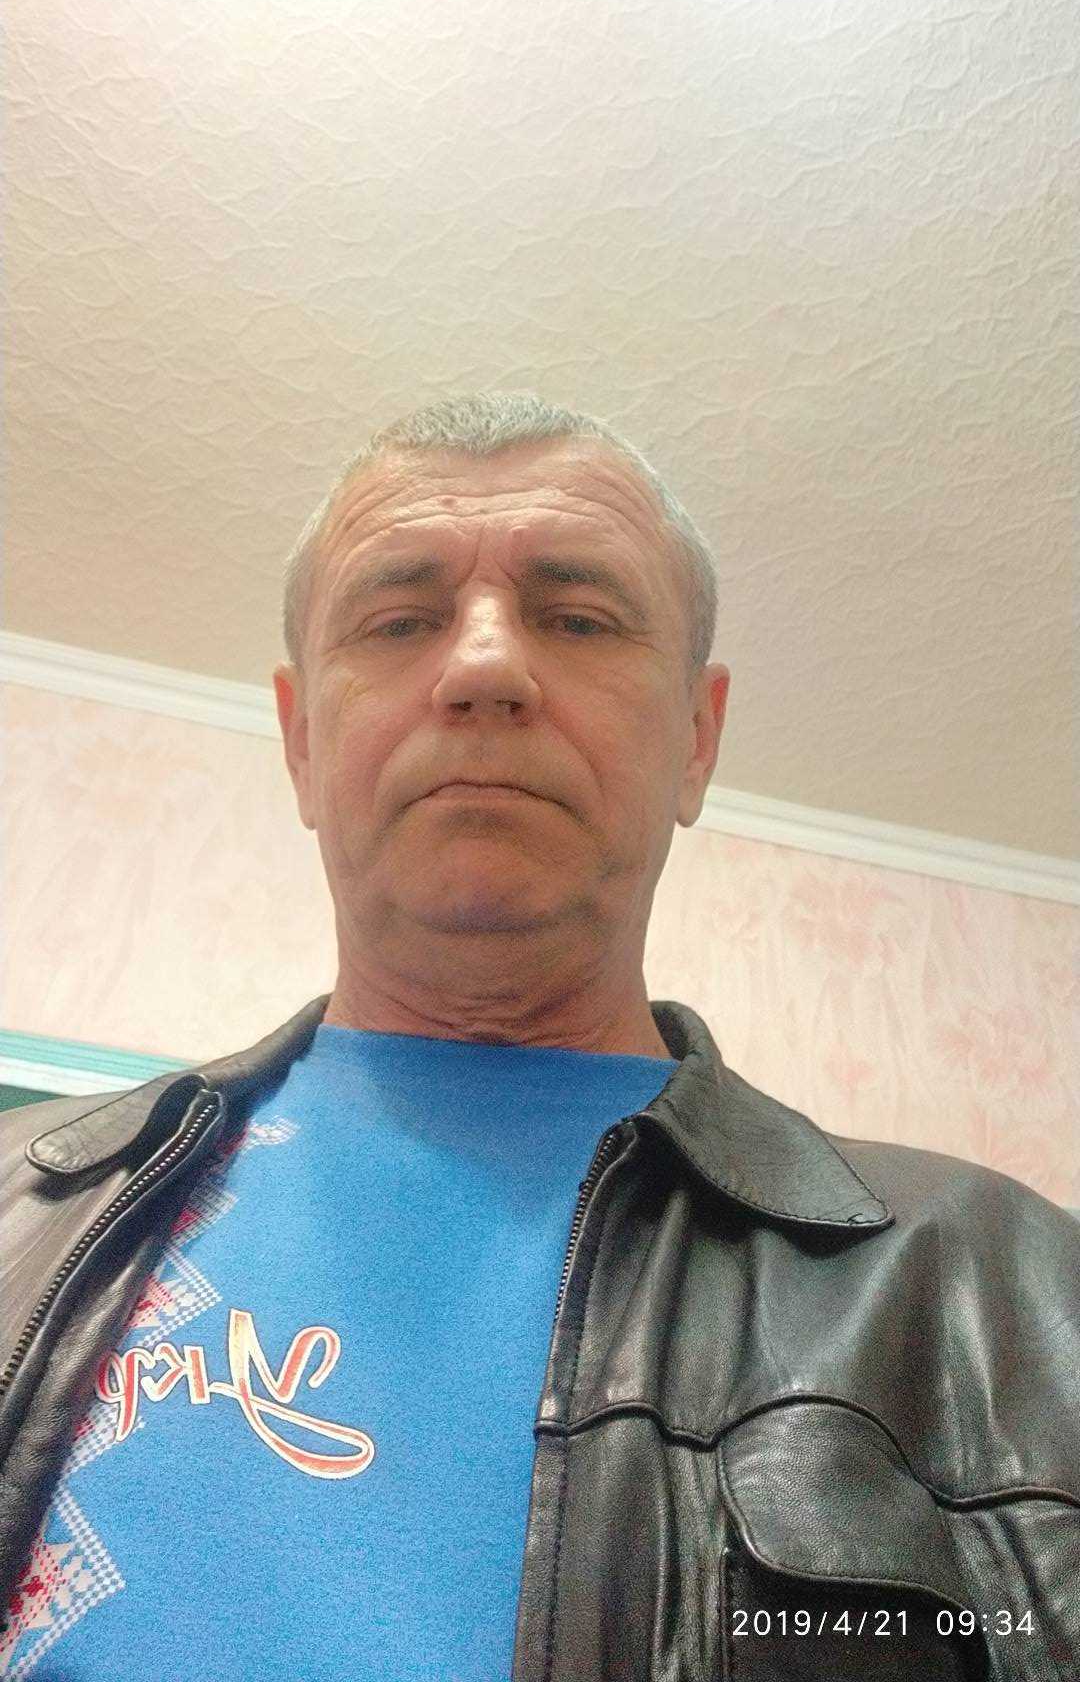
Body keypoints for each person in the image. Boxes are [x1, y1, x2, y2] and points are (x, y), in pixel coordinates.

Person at [1, 391, 1077, 1682]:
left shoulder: (1010, 1296)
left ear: (697, 738)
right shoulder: (17, 1211)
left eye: (577, 618)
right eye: (399, 620)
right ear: (299, 740)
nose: (483, 668)